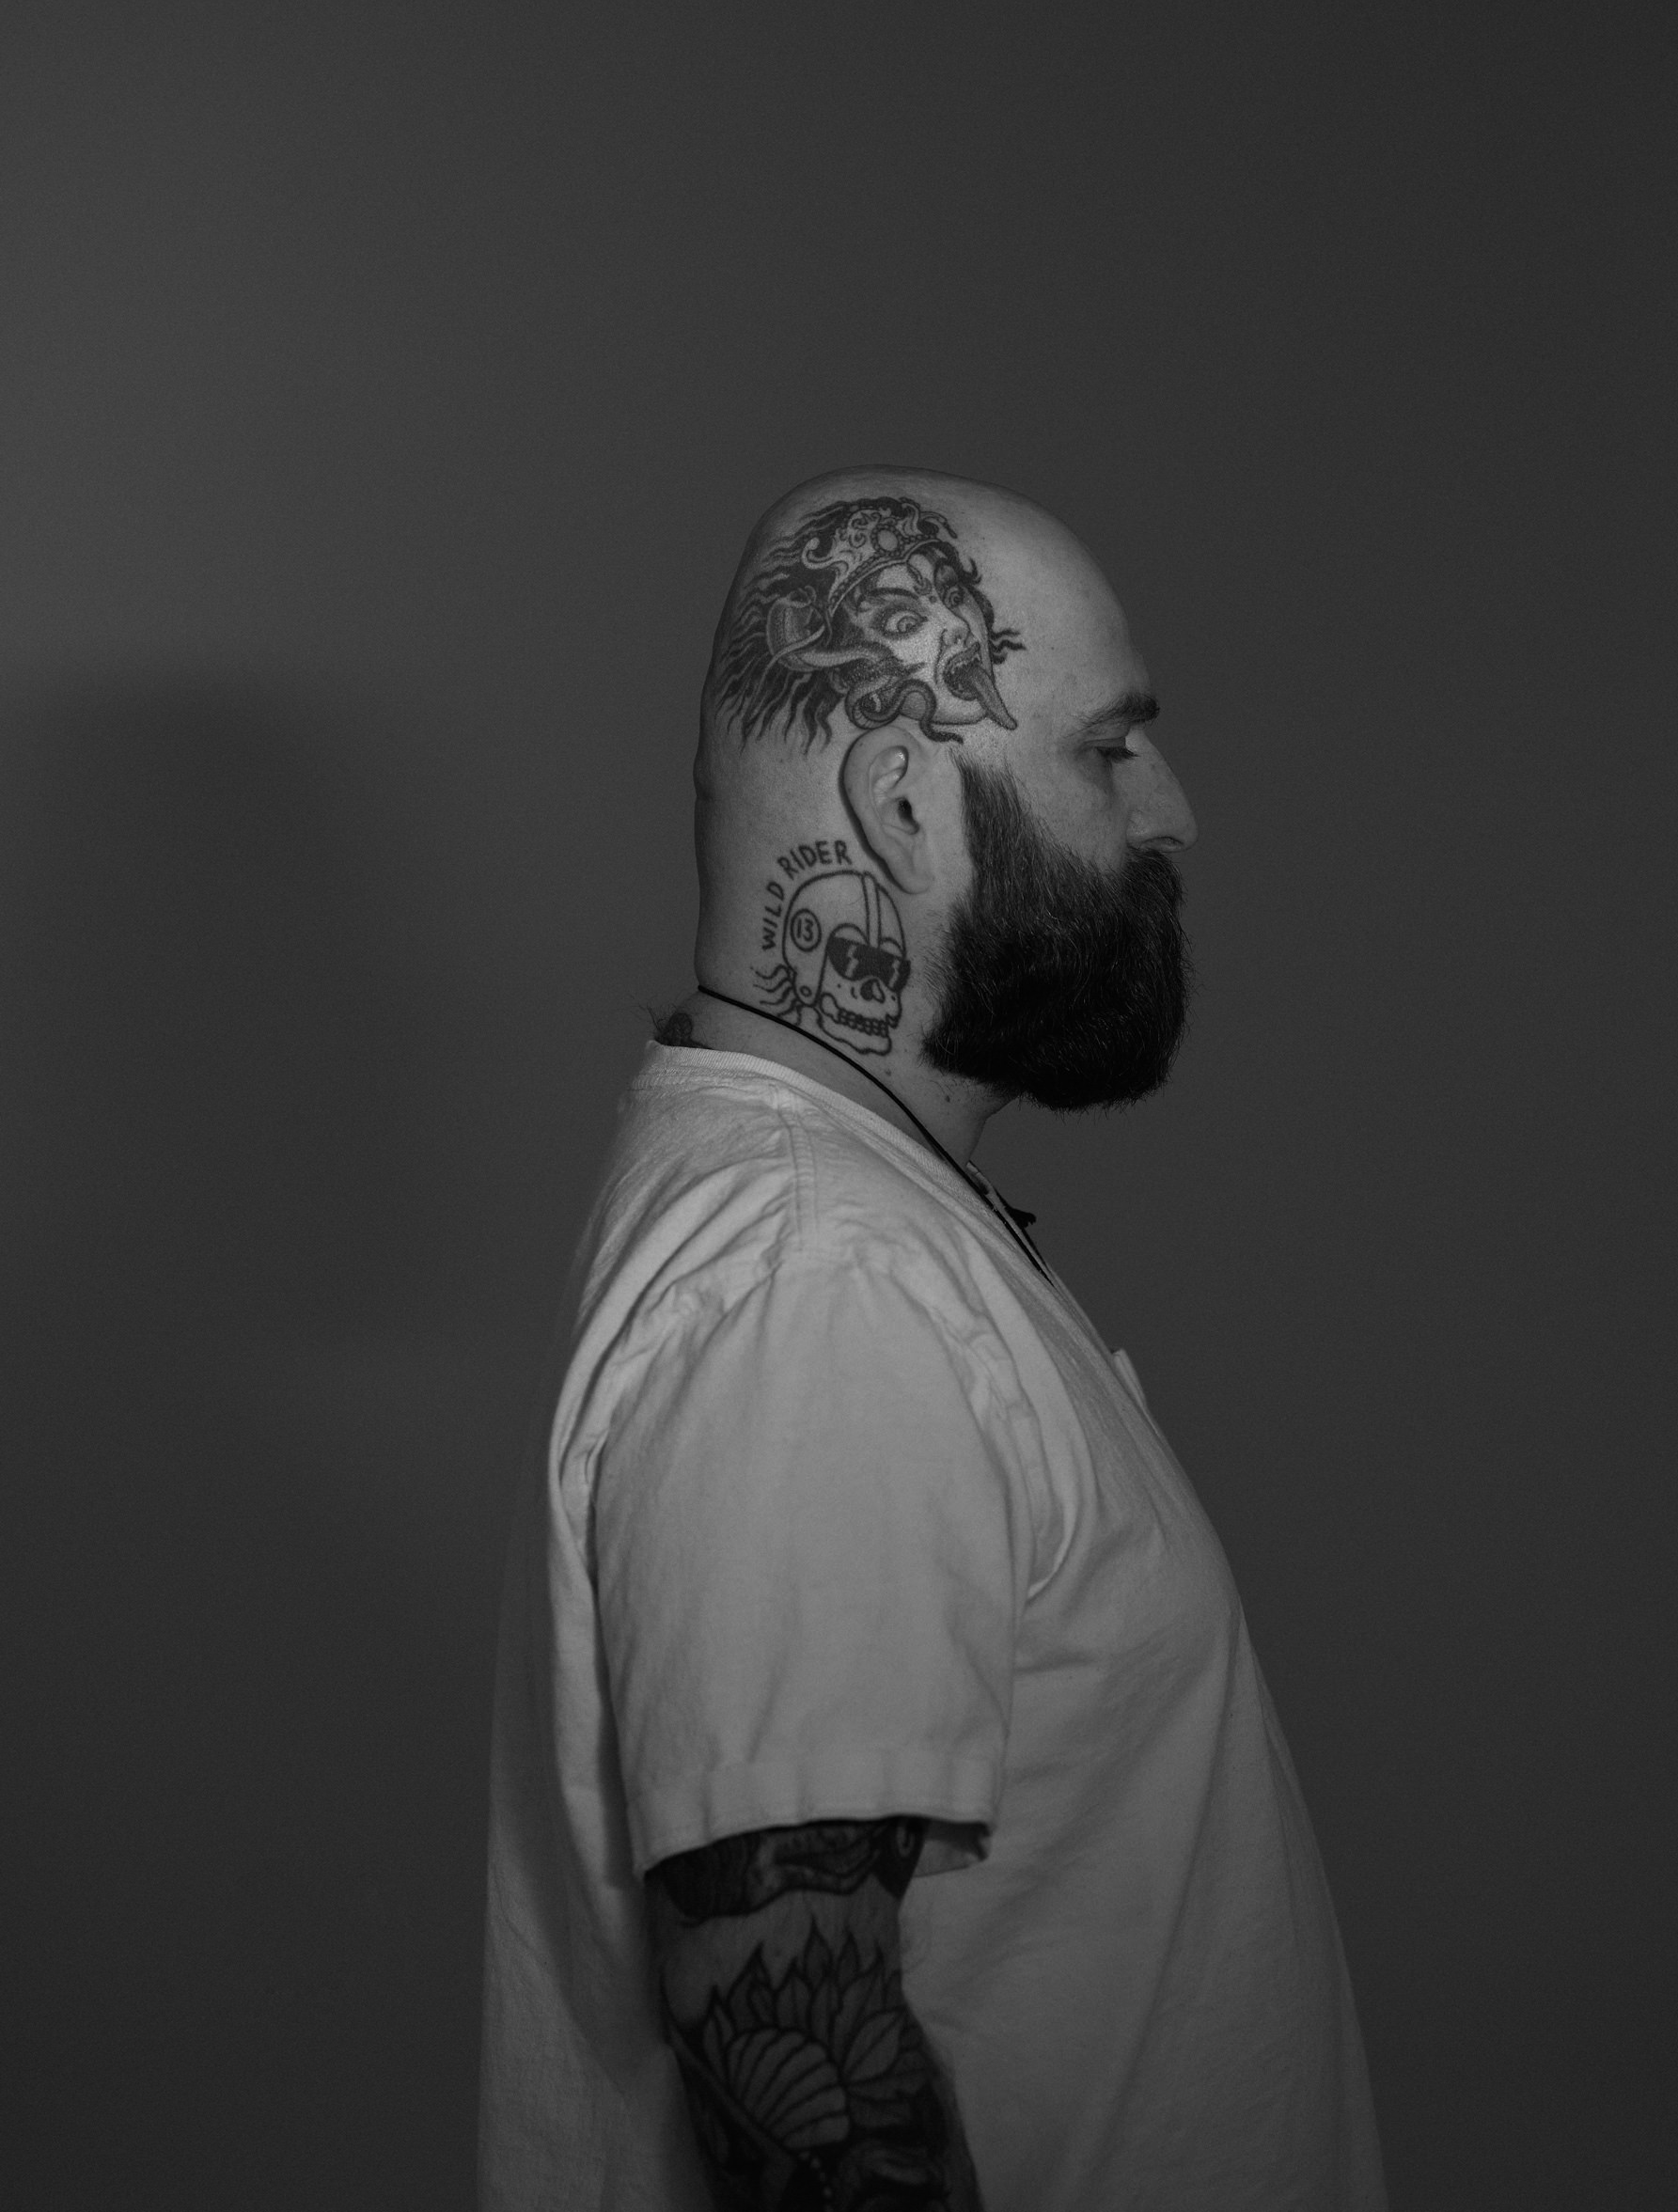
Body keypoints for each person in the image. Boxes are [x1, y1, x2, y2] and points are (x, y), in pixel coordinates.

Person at [478, 470, 1388, 2210]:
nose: (1176, 811)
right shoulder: (820, 1283)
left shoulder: (837, 1229)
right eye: (1110, 750)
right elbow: (793, 2060)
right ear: (905, 801)